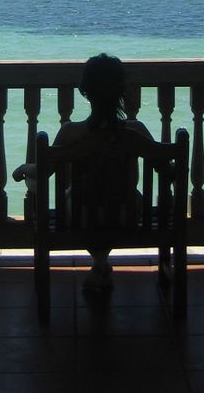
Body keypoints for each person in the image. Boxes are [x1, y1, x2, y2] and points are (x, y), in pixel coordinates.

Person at [13, 53, 157, 291]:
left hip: (80, 217)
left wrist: (22, 169)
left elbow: (43, 171)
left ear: (86, 92)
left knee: (71, 194)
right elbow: (166, 168)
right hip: (127, 216)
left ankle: (99, 263)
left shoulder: (70, 132)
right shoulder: (137, 130)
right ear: (122, 92)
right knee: (121, 196)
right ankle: (101, 263)